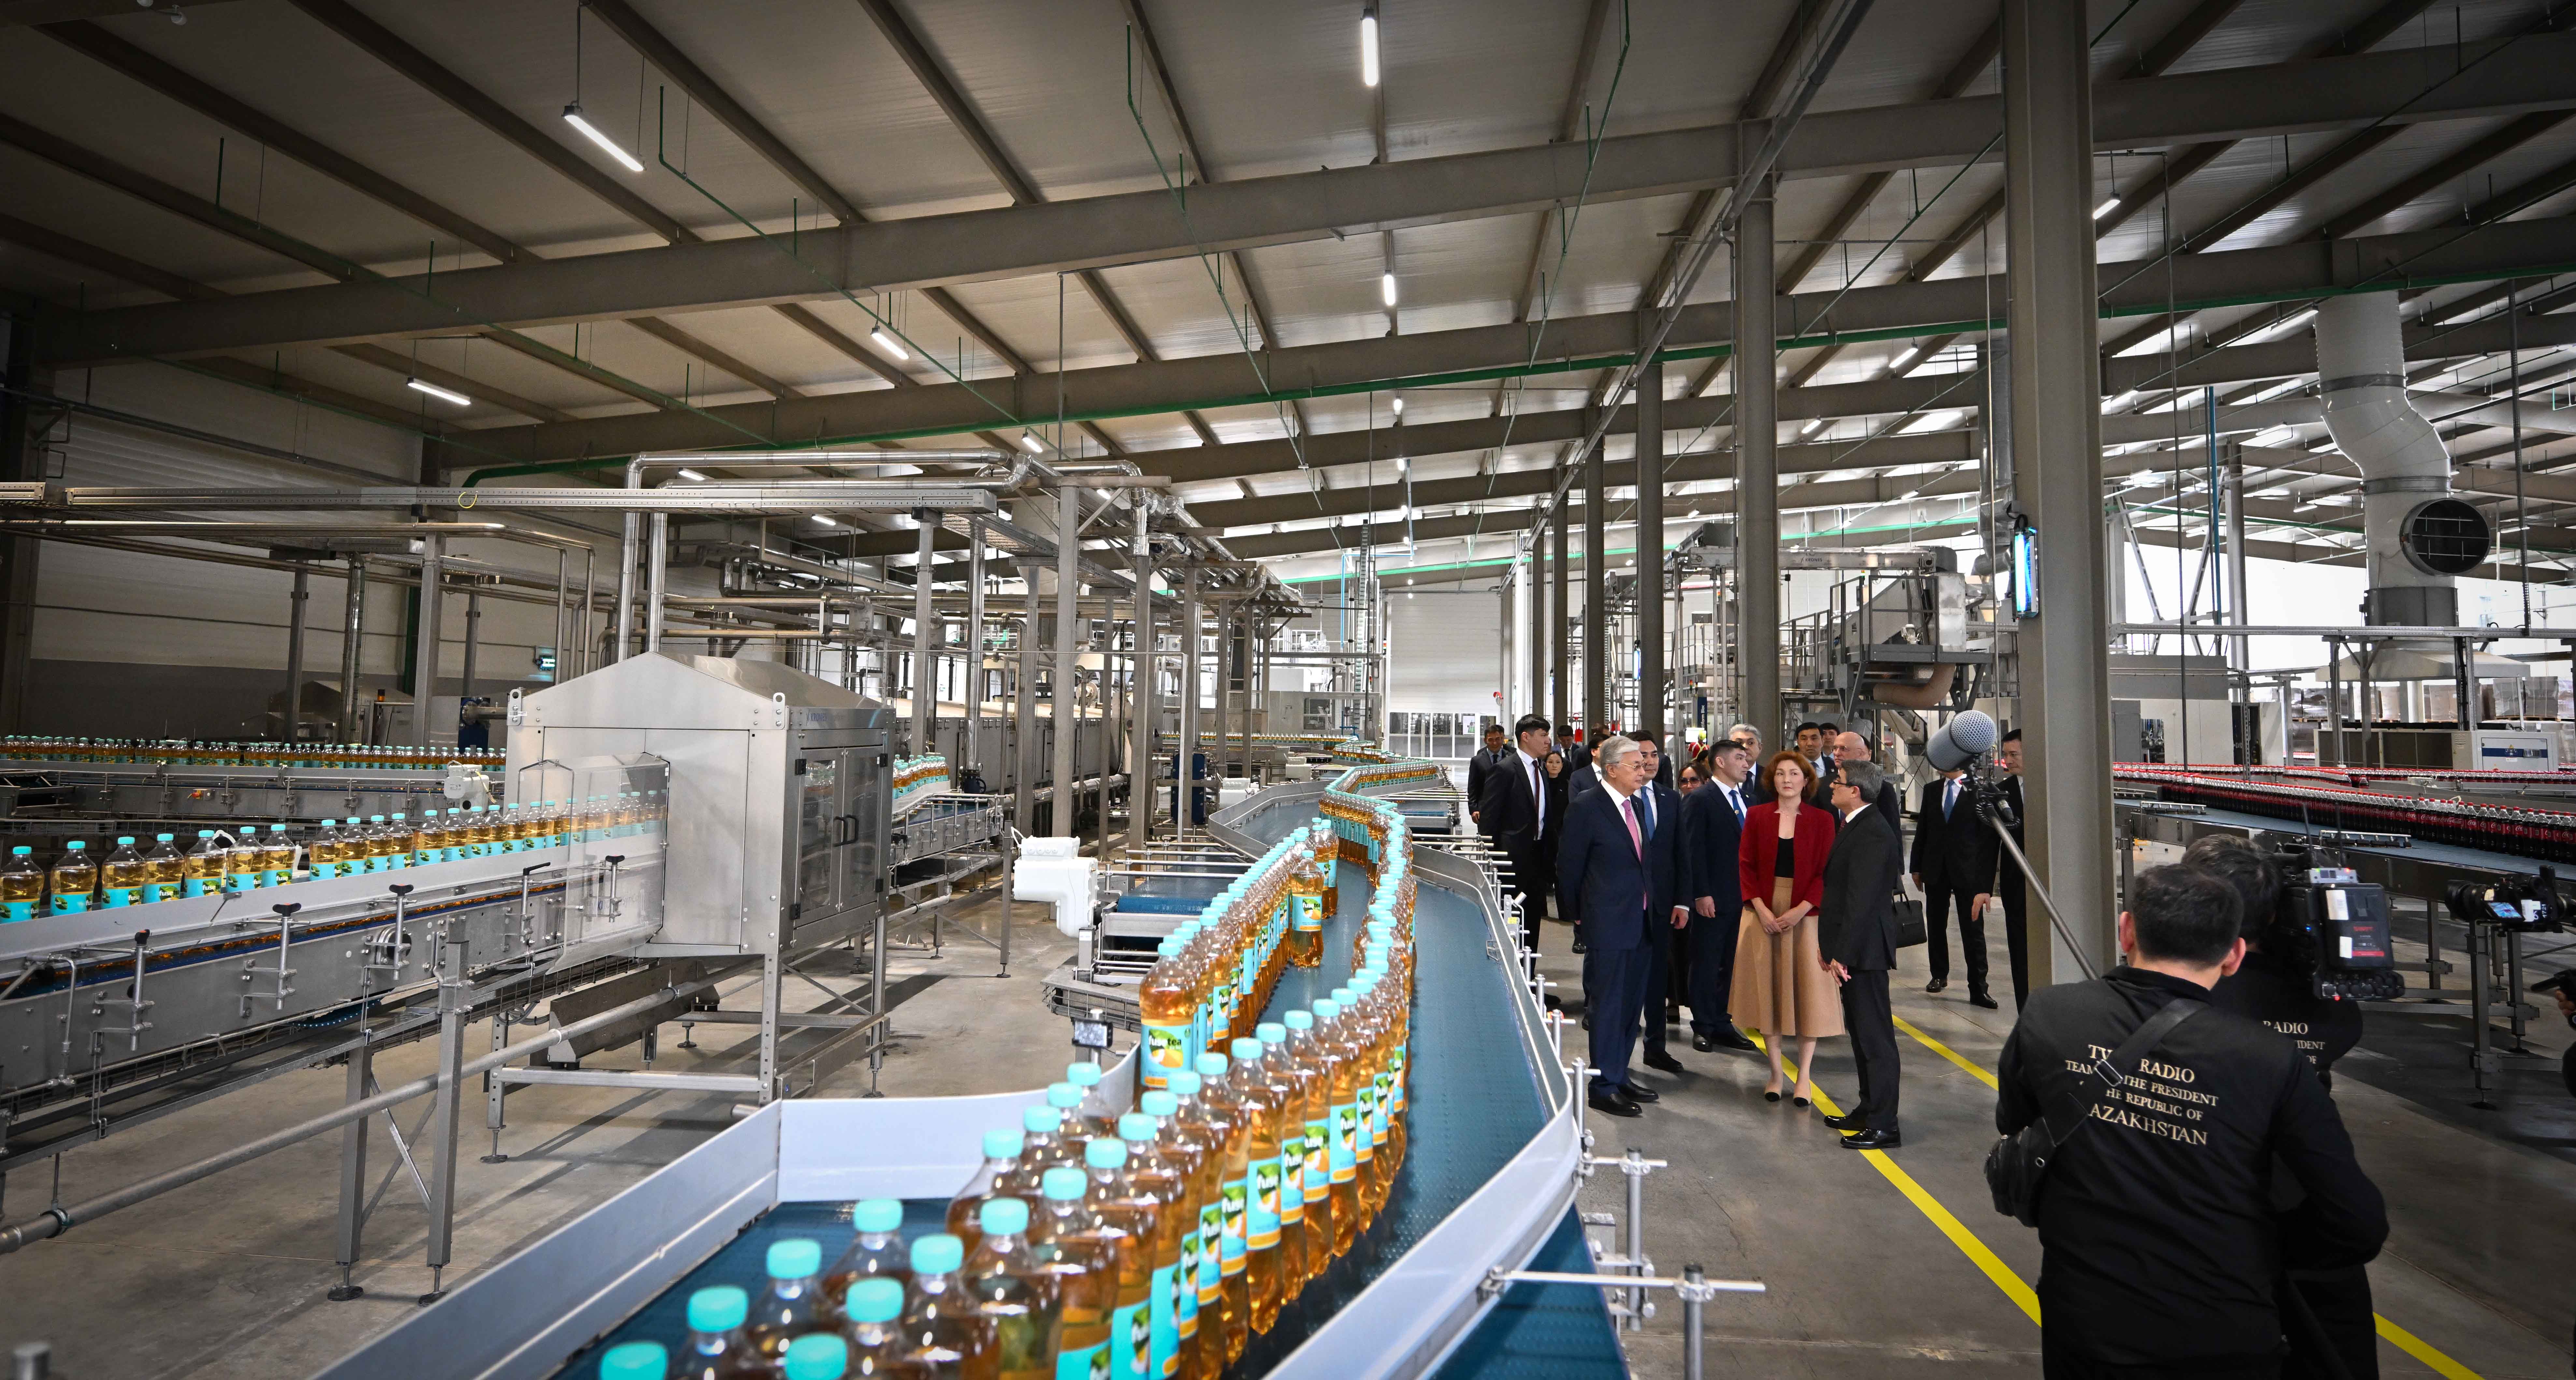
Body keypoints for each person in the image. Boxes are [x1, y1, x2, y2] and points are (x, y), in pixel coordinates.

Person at [1996, 864, 2387, 1379]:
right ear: (2233, 955)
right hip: (2221, 1332)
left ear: (2126, 930)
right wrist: (2262, 1251)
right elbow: (2357, 1223)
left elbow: (2017, 1124)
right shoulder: (2271, 1059)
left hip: (2084, 1319)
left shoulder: (2049, 1012)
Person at [2189, 834, 2373, 1380]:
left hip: (2212, 1221)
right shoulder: (2325, 1010)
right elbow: (2360, 1226)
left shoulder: (2195, 1003)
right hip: (2305, 1200)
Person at [1556, 735, 1688, 1118]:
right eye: (1635, 765)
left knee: (1631, 1007)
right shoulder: (1587, 807)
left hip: (1642, 921)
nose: (1643, 770)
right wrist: (1578, 917)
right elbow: (1569, 867)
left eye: (1645, 764)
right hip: (1607, 922)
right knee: (1609, 1006)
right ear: (1611, 769)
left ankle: (1619, 1074)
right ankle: (1602, 1086)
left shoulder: (1637, 805)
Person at [1731, 752, 1841, 1105]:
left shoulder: (1823, 820)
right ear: (1772, 780)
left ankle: (1804, 1075)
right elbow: (1745, 865)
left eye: (1794, 773)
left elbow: (1826, 871)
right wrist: (1761, 909)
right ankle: (1776, 1073)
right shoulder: (1756, 815)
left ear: (1806, 781)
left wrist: (1802, 909)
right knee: (1769, 992)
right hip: (1762, 910)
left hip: (1806, 913)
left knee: (1807, 993)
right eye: (1780, 773)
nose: (1786, 779)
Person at [1817, 759, 1905, 1148]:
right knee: (1861, 1035)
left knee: (1875, 1039)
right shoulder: (1856, 824)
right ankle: (1868, 1109)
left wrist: (1843, 954)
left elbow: (1862, 901)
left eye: (1837, 782)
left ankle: (1885, 1123)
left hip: (1864, 951)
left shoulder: (1871, 831)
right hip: (1854, 948)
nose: (1831, 786)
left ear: (1855, 791)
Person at [1681, 737, 1759, 1052]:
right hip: (1713, 897)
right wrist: (1701, 893)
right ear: (1721, 762)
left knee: (1731, 962)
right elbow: (1693, 850)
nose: (1746, 763)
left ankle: (1723, 1021)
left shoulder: (1747, 798)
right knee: (1706, 961)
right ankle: (1703, 1025)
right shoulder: (1701, 799)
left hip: (1742, 897)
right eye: (1740, 758)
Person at [1479, 714, 1564, 972]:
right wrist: (1495, 862)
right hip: (1511, 861)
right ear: (1525, 737)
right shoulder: (1505, 770)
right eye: (1543, 735)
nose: (1548, 741)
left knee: (1533, 920)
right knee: (1513, 920)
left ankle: (1529, 975)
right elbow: (1489, 822)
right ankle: (1511, 975)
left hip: (1538, 858)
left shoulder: (1541, 769)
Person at [1912, 760, 2000, 1009]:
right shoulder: (1932, 790)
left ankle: (1979, 988)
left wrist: (1985, 885)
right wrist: (1916, 867)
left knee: (1973, 931)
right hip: (1935, 870)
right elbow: (1923, 829)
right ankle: (1938, 974)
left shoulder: (1980, 791)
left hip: (1968, 873)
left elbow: (1988, 842)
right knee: (1936, 925)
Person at [1629, 734, 1689, 1073]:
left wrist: (1683, 901)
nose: (1649, 761)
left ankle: (1656, 1047)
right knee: (1624, 980)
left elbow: (1681, 853)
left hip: (1663, 904)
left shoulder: (1670, 798)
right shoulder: (1617, 800)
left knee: (1657, 978)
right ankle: (1619, 1053)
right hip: (1625, 904)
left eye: (1654, 755)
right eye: (1642, 755)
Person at [1992, 729, 2032, 1007]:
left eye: (2014, 754)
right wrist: (1983, 888)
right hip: (2015, 885)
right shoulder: (2001, 792)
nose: (2008, 760)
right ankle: (2024, 1011)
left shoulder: (2053, 787)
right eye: (2005, 755)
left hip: (2051, 884)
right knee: (2020, 952)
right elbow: (1988, 844)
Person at [1832, 730, 1903, 835]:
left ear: (1861, 754)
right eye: (1835, 748)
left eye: (1844, 749)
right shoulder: (1822, 785)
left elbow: (1893, 831)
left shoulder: (1882, 789)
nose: (1837, 753)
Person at [1466, 723, 1512, 831]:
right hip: (1485, 810)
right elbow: (1473, 787)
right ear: (1485, 741)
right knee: (1487, 838)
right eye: (1491, 740)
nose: (1495, 743)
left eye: (1498, 739)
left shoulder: (1512, 758)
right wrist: (1474, 809)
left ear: (1503, 739)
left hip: (1508, 809)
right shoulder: (1477, 761)